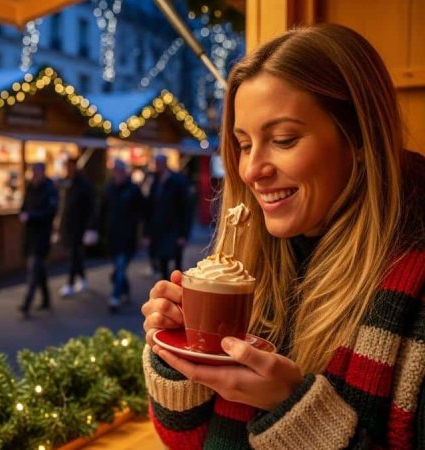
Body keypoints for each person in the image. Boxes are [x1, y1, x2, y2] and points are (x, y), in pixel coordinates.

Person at [140, 24, 425, 448]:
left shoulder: (411, 287)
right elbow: (185, 441)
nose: (252, 170)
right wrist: (177, 354)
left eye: (284, 140)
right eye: (243, 144)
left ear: (360, 138)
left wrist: (290, 405)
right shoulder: (250, 261)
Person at [98, 159, 144, 312]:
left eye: (119, 171)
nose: (117, 174)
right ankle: (125, 291)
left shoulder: (133, 190)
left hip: (127, 236)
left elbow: (141, 211)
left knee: (120, 266)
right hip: (111, 236)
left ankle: (115, 297)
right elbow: (102, 211)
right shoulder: (109, 189)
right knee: (118, 268)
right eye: (115, 171)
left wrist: (141, 232)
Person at [18, 162, 58, 318]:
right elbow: (24, 205)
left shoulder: (49, 189)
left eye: (36, 172)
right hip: (30, 234)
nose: (34, 175)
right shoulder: (31, 187)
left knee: (34, 268)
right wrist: (23, 214)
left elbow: (50, 212)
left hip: (42, 235)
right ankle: (46, 299)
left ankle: (27, 303)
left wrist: (31, 216)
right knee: (39, 269)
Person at [144, 154, 192, 279]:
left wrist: (183, 234)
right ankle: (165, 283)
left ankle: (177, 286)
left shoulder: (177, 181)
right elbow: (149, 207)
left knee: (176, 259)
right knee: (162, 260)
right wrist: (147, 232)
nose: (157, 166)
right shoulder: (155, 181)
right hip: (159, 228)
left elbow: (185, 208)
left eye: (159, 164)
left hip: (174, 228)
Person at [54, 157, 95, 298]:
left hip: (79, 227)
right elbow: (63, 207)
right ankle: (82, 278)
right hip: (68, 226)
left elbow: (90, 207)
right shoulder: (66, 183)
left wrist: (90, 228)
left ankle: (70, 283)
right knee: (75, 255)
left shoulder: (83, 184)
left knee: (73, 255)